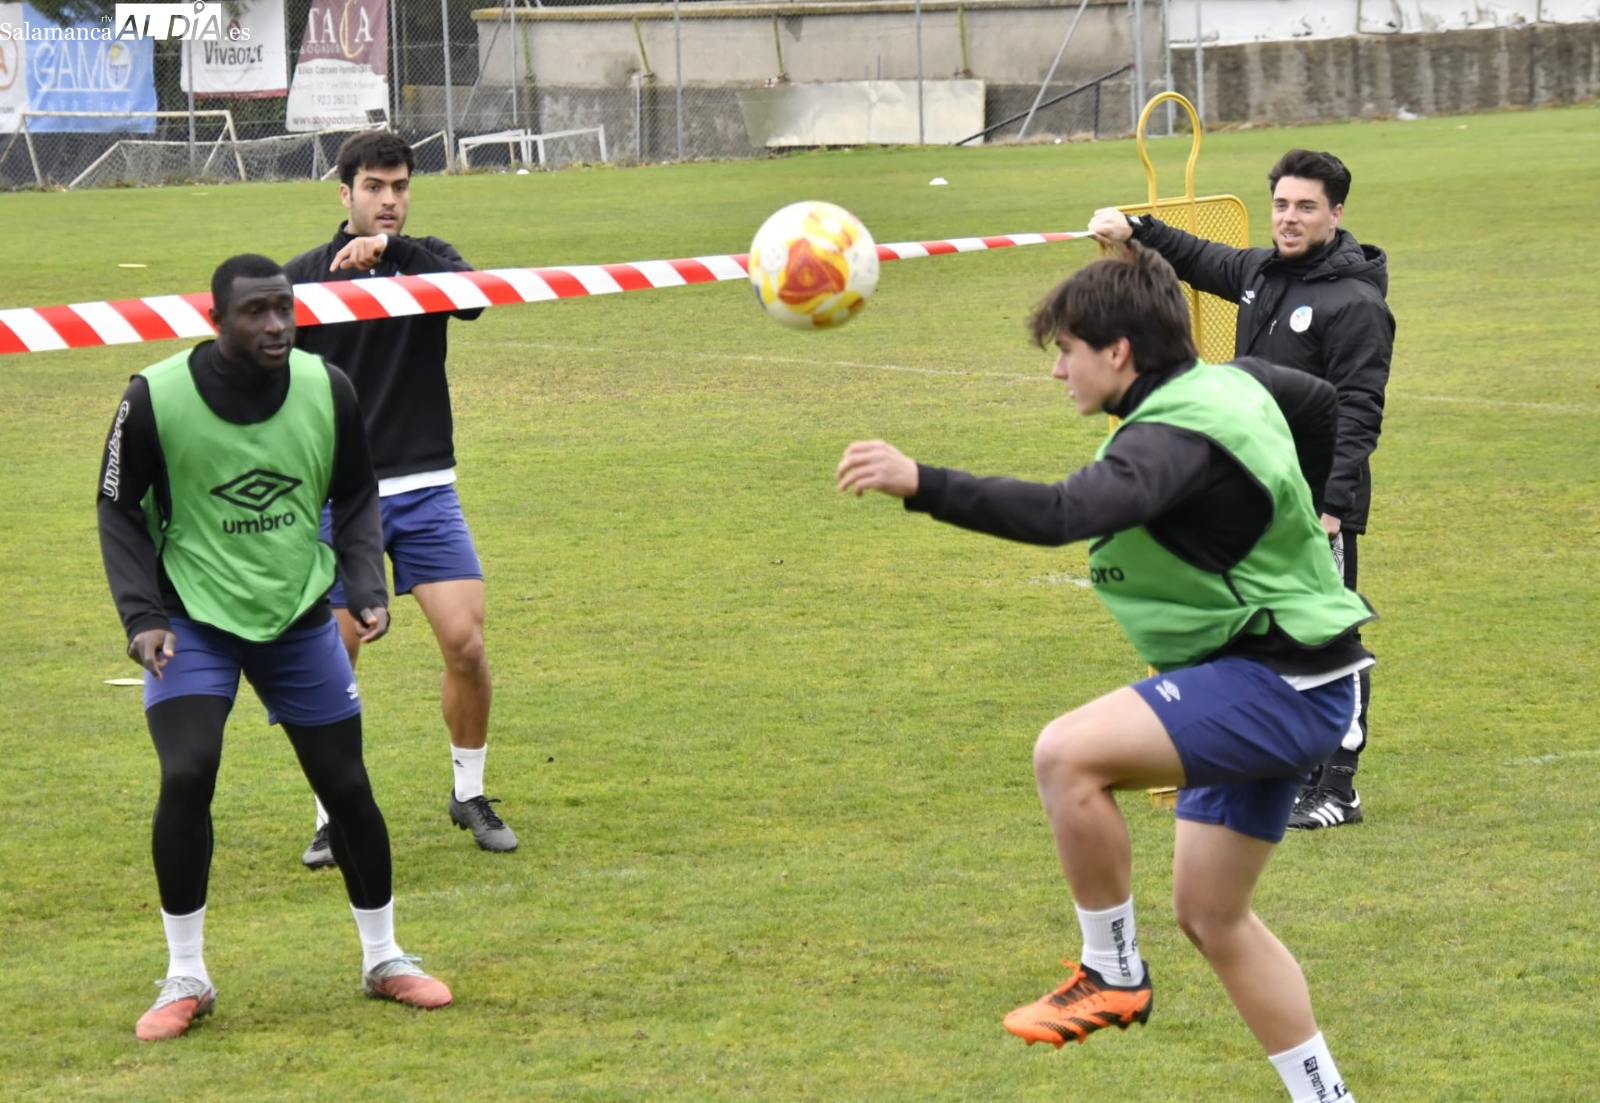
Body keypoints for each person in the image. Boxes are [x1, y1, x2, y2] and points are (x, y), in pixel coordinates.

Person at [835, 250, 1372, 1102]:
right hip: (1280, 669)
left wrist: (921, 482)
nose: (1057, 369)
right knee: (1212, 916)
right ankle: (1327, 1099)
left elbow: (1063, 513)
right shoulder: (1233, 382)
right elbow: (1318, 402)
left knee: (1066, 755)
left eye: (1067, 349)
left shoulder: (1169, 440)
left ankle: (1112, 969)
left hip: (1277, 680)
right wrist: (1294, 516)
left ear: (1119, 351)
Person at [98, 254, 453, 1041]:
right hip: (191, 617)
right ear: (215, 320)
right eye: (255, 312)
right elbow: (118, 507)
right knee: (187, 772)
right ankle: (186, 973)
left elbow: (357, 490)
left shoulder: (328, 387)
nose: (274, 325)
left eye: (283, 310)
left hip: (296, 616)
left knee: (347, 785)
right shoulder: (154, 395)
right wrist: (141, 615)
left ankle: (385, 957)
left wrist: (362, 582)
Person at [1088, 148, 1393, 831]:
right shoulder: (1260, 272)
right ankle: (1281, 771)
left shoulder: (1357, 305)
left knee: (1324, 637)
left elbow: (1359, 410)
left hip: (1315, 505)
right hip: (1252, 494)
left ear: (1336, 214)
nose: (1289, 218)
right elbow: (1196, 256)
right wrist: (1134, 227)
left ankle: (1338, 785)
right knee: (1258, 630)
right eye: (1282, 204)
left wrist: (1333, 506)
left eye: (1305, 206)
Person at [284, 131, 516, 863]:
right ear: (343, 192)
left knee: (467, 644)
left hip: (426, 491)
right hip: (339, 501)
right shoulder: (300, 279)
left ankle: (469, 791)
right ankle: (330, 814)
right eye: (376, 187)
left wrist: (392, 261)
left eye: (401, 187)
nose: (390, 200)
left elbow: (475, 300)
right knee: (335, 658)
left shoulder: (430, 260)